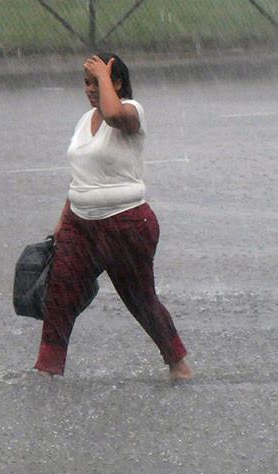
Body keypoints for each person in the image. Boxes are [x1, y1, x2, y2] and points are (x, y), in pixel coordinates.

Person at [34, 53, 193, 380]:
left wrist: (104, 78)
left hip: (126, 226)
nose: (90, 89)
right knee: (59, 296)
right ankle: (46, 370)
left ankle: (178, 364)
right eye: (86, 83)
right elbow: (79, 176)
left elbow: (113, 112)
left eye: (97, 82)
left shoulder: (132, 112)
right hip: (80, 226)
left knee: (141, 300)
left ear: (117, 82)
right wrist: (62, 223)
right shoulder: (83, 121)